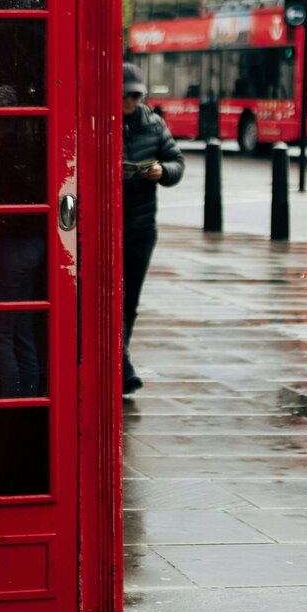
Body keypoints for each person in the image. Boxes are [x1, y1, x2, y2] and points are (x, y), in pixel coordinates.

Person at [121, 60, 183, 395]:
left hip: (142, 227)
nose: (129, 101)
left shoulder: (154, 125)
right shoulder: (100, 120)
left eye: (135, 95)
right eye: (124, 95)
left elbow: (177, 163)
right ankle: (121, 365)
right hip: (107, 227)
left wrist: (163, 172)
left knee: (130, 300)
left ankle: (119, 360)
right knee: (112, 298)